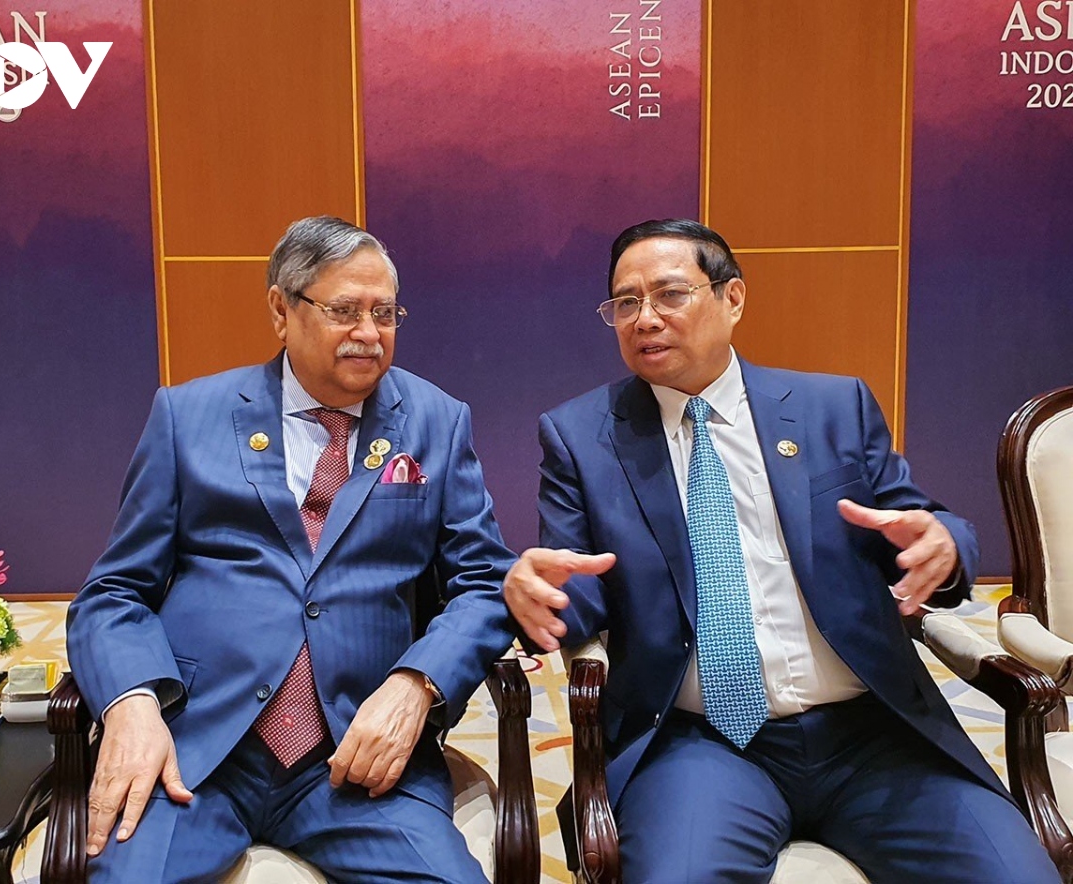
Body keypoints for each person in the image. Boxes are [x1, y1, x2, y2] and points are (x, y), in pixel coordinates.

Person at [504, 219, 1059, 883]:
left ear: (732, 298)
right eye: (626, 302)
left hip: (873, 734)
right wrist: (539, 597)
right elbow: (577, 587)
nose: (645, 318)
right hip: (700, 744)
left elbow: (922, 522)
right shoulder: (580, 437)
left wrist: (944, 543)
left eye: (670, 294)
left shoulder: (833, 406)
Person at [66, 216, 515, 883]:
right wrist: (132, 704)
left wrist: (417, 684)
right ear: (282, 309)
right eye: (345, 311)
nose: (370, 333)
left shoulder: (437, 421)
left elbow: (484, 582)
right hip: (198, 750)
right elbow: (113, 592)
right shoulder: (188, 416)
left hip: (359, 760)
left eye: (385, 313)